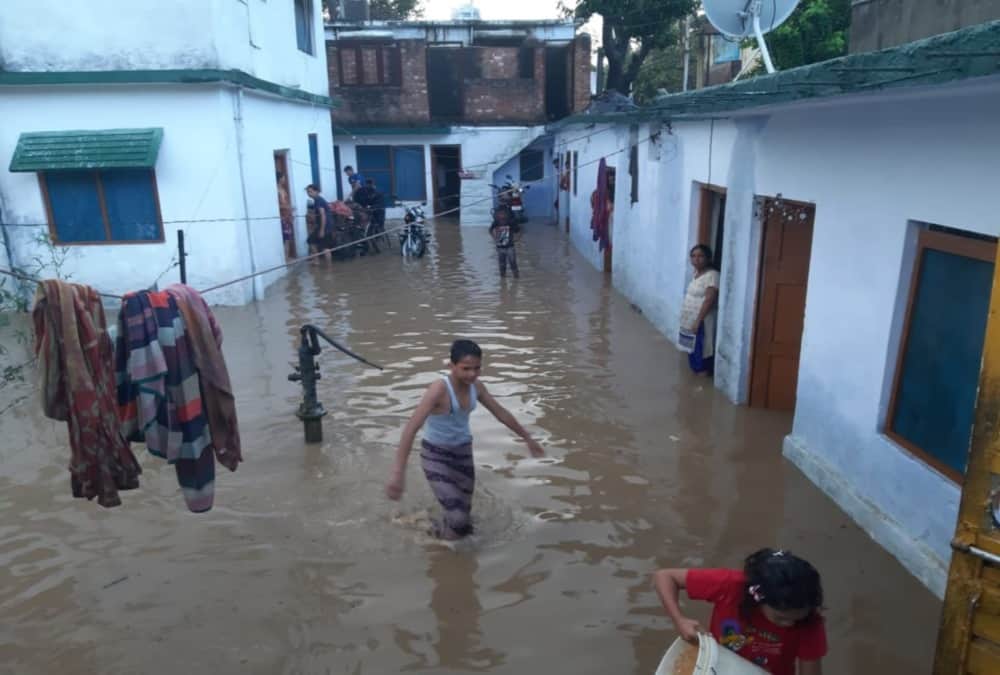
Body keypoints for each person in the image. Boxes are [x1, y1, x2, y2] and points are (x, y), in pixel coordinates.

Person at [385, 339, 544, 539]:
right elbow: (411, 428)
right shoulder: (439, 389)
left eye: (477, 368)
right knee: (459, 520)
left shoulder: (476, 387)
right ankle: (423, 536)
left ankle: (439, 537)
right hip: (436, 456)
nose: (472, 374)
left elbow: (500, 413)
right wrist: (398, 473)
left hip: (462, 453)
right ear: (452, 366)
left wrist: (527, 438)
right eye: (466, 368)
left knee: (465, 520)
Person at [652, 549, 826, 675]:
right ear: (758, 599)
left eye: (797, 619)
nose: (790, 624)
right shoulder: (730, 586)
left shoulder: (810, 624)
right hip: (717, 665)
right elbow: (665, 577)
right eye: (781, 618)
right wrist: (679, 620)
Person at [679, 244, 719, 375]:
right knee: (691, 349)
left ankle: (701, 378)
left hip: (701, 319)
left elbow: (709, 300)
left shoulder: (712, 275)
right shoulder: (696, 273)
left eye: (701, 256)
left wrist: (698, 321)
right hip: (689, 319)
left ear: (708, 258)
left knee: (700, 351)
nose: (696, 259)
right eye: (693, 256)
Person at [489, 206, 519, 279]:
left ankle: (516, 278)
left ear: (507, 214)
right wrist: (494, 238)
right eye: (500, 214)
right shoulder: (496, 222)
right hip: (500, 247)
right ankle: (503, 280)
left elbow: (519, 231)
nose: (501, 215)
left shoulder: (511, 222)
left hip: (510, 247)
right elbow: (490, 230)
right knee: (502, 264)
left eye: (503, 214)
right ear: (497, 214)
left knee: (513, 263)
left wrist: (517, 239)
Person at [305, 185, 332, 263]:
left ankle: (329, 268)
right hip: (322, 225)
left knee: (325, 247)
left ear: (316, 191)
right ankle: (316, 261)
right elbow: (314, 214)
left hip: (325, 226)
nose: (309, 193)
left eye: (310, 191)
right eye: (307, 192)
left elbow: (323, 215)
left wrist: (322, 230)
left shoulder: (319, 200)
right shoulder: (314, 200)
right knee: (311, 241)